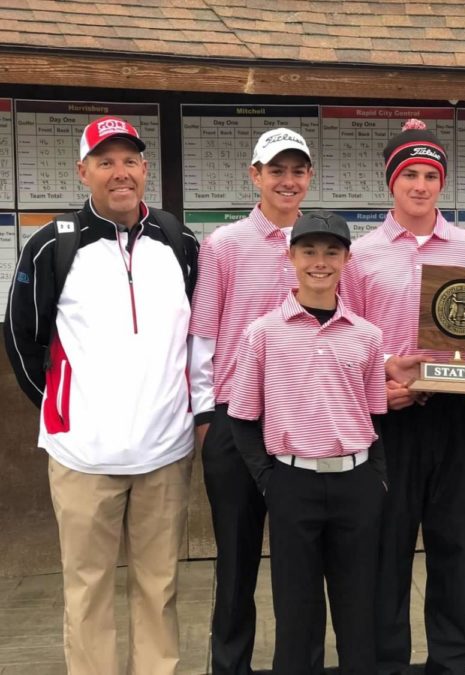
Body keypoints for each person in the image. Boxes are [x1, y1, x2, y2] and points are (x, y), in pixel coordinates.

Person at [4, 116, 199, 674]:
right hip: (84, 456)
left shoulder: (178, 240)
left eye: (130, 160)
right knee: (86, 591)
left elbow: (193, 336)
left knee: (158, 589)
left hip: (164, 451)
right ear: (82, 171)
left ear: (144, 169)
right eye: (106, 161)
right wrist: (63, 410)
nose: (121, 173)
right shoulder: (52, 246)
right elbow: (22, 339)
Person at [340, 119, 465, 674]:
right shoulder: (360, 255)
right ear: (391, 183)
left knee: (459, 544)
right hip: (391, 415)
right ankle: (386, 662)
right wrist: (381, 378)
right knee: (387, 547)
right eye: (410, 175)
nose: (421, 186)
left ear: (442, 183)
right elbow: (348, 335)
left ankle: (458, 664)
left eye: (430, 175)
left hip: (459, 414)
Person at [228, 210, 387, 674]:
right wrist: (268, 480)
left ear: (347, 259)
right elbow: (242, 418)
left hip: (356, 483)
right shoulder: (262, 333)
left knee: (358, 611)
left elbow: (376, 415)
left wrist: (376, 478)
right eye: (310, 251)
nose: (321, 262)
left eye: (332, 251)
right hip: (291, 482)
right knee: (296, 613)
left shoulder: (367, 336)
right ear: (290, 256)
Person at [188, 128, 323, 673]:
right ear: (255, 176)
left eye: (297, 171)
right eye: (276, 171)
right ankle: (231, 664)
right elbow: (203, 334)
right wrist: (205, 416)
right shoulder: (224, 244)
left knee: (303, 561)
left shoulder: (325, 247)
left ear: (309, 178)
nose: (287, 182)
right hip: (236, 420)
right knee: (237, 558)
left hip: (303, 423)